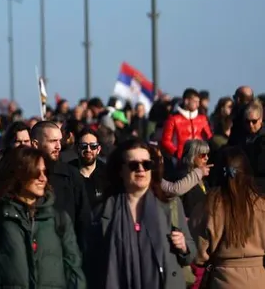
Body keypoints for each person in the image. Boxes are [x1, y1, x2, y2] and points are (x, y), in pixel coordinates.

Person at [86, 139, 196, 288]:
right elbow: (91, 264)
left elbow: (190, 254)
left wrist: (183, 247)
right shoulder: (103, 212)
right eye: (133, 165)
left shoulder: (170, 205)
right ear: (120, 171)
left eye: (147, 164)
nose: (141, 169)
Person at [0, 147, 86, 288]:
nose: (43, 178)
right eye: (36, 172)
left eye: (45, 172)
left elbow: (73, 267)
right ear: (20, 173)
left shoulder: (58, 218)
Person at [191, 147, 265, 288]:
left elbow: (197, 253)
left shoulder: (209, 206)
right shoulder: (261, 205)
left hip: (223, 280)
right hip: (259, 280)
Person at [30, 121, 91, 252]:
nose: (58, 146)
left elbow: (83, 220)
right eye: (52, 141)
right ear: (35, 144)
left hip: (66, 251)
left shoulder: (71, 175)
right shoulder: (23, 176)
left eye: (59, 140)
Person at [161, 88, 213, 160]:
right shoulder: (173, 119)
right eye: (195, 101)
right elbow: (166, 141)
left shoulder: (202, 119)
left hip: (199, 158)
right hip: (179, 160)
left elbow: (209, 138)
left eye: (198, 102)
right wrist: (177, 153)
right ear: (186, 101)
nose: (198, 105)